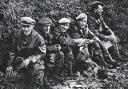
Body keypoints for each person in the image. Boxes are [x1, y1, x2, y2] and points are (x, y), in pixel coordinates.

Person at [6, 17, 46, 89]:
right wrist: (10, 65)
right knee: (10, 78)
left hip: (34, 61)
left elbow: (41, 53)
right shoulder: (16, 35)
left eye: (28, 27)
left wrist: (30, 59)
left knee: (37, 72)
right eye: (24, 26)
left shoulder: (38, 38)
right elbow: (12, 51)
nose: (26, 29)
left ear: (33, 26)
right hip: (20, 60)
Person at [36, 17, 64, 88]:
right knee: (51, 57)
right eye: (45, 26)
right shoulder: (37, 35)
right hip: (38, 55)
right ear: (41, 27)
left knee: (61, 54)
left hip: (47, 52)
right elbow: (39, 48)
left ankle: (54, 74)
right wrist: (53, 48)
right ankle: (45, 78)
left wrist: (57, 46)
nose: (47, 28)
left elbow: (53, 41)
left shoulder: (49, 33)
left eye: (48, 26)